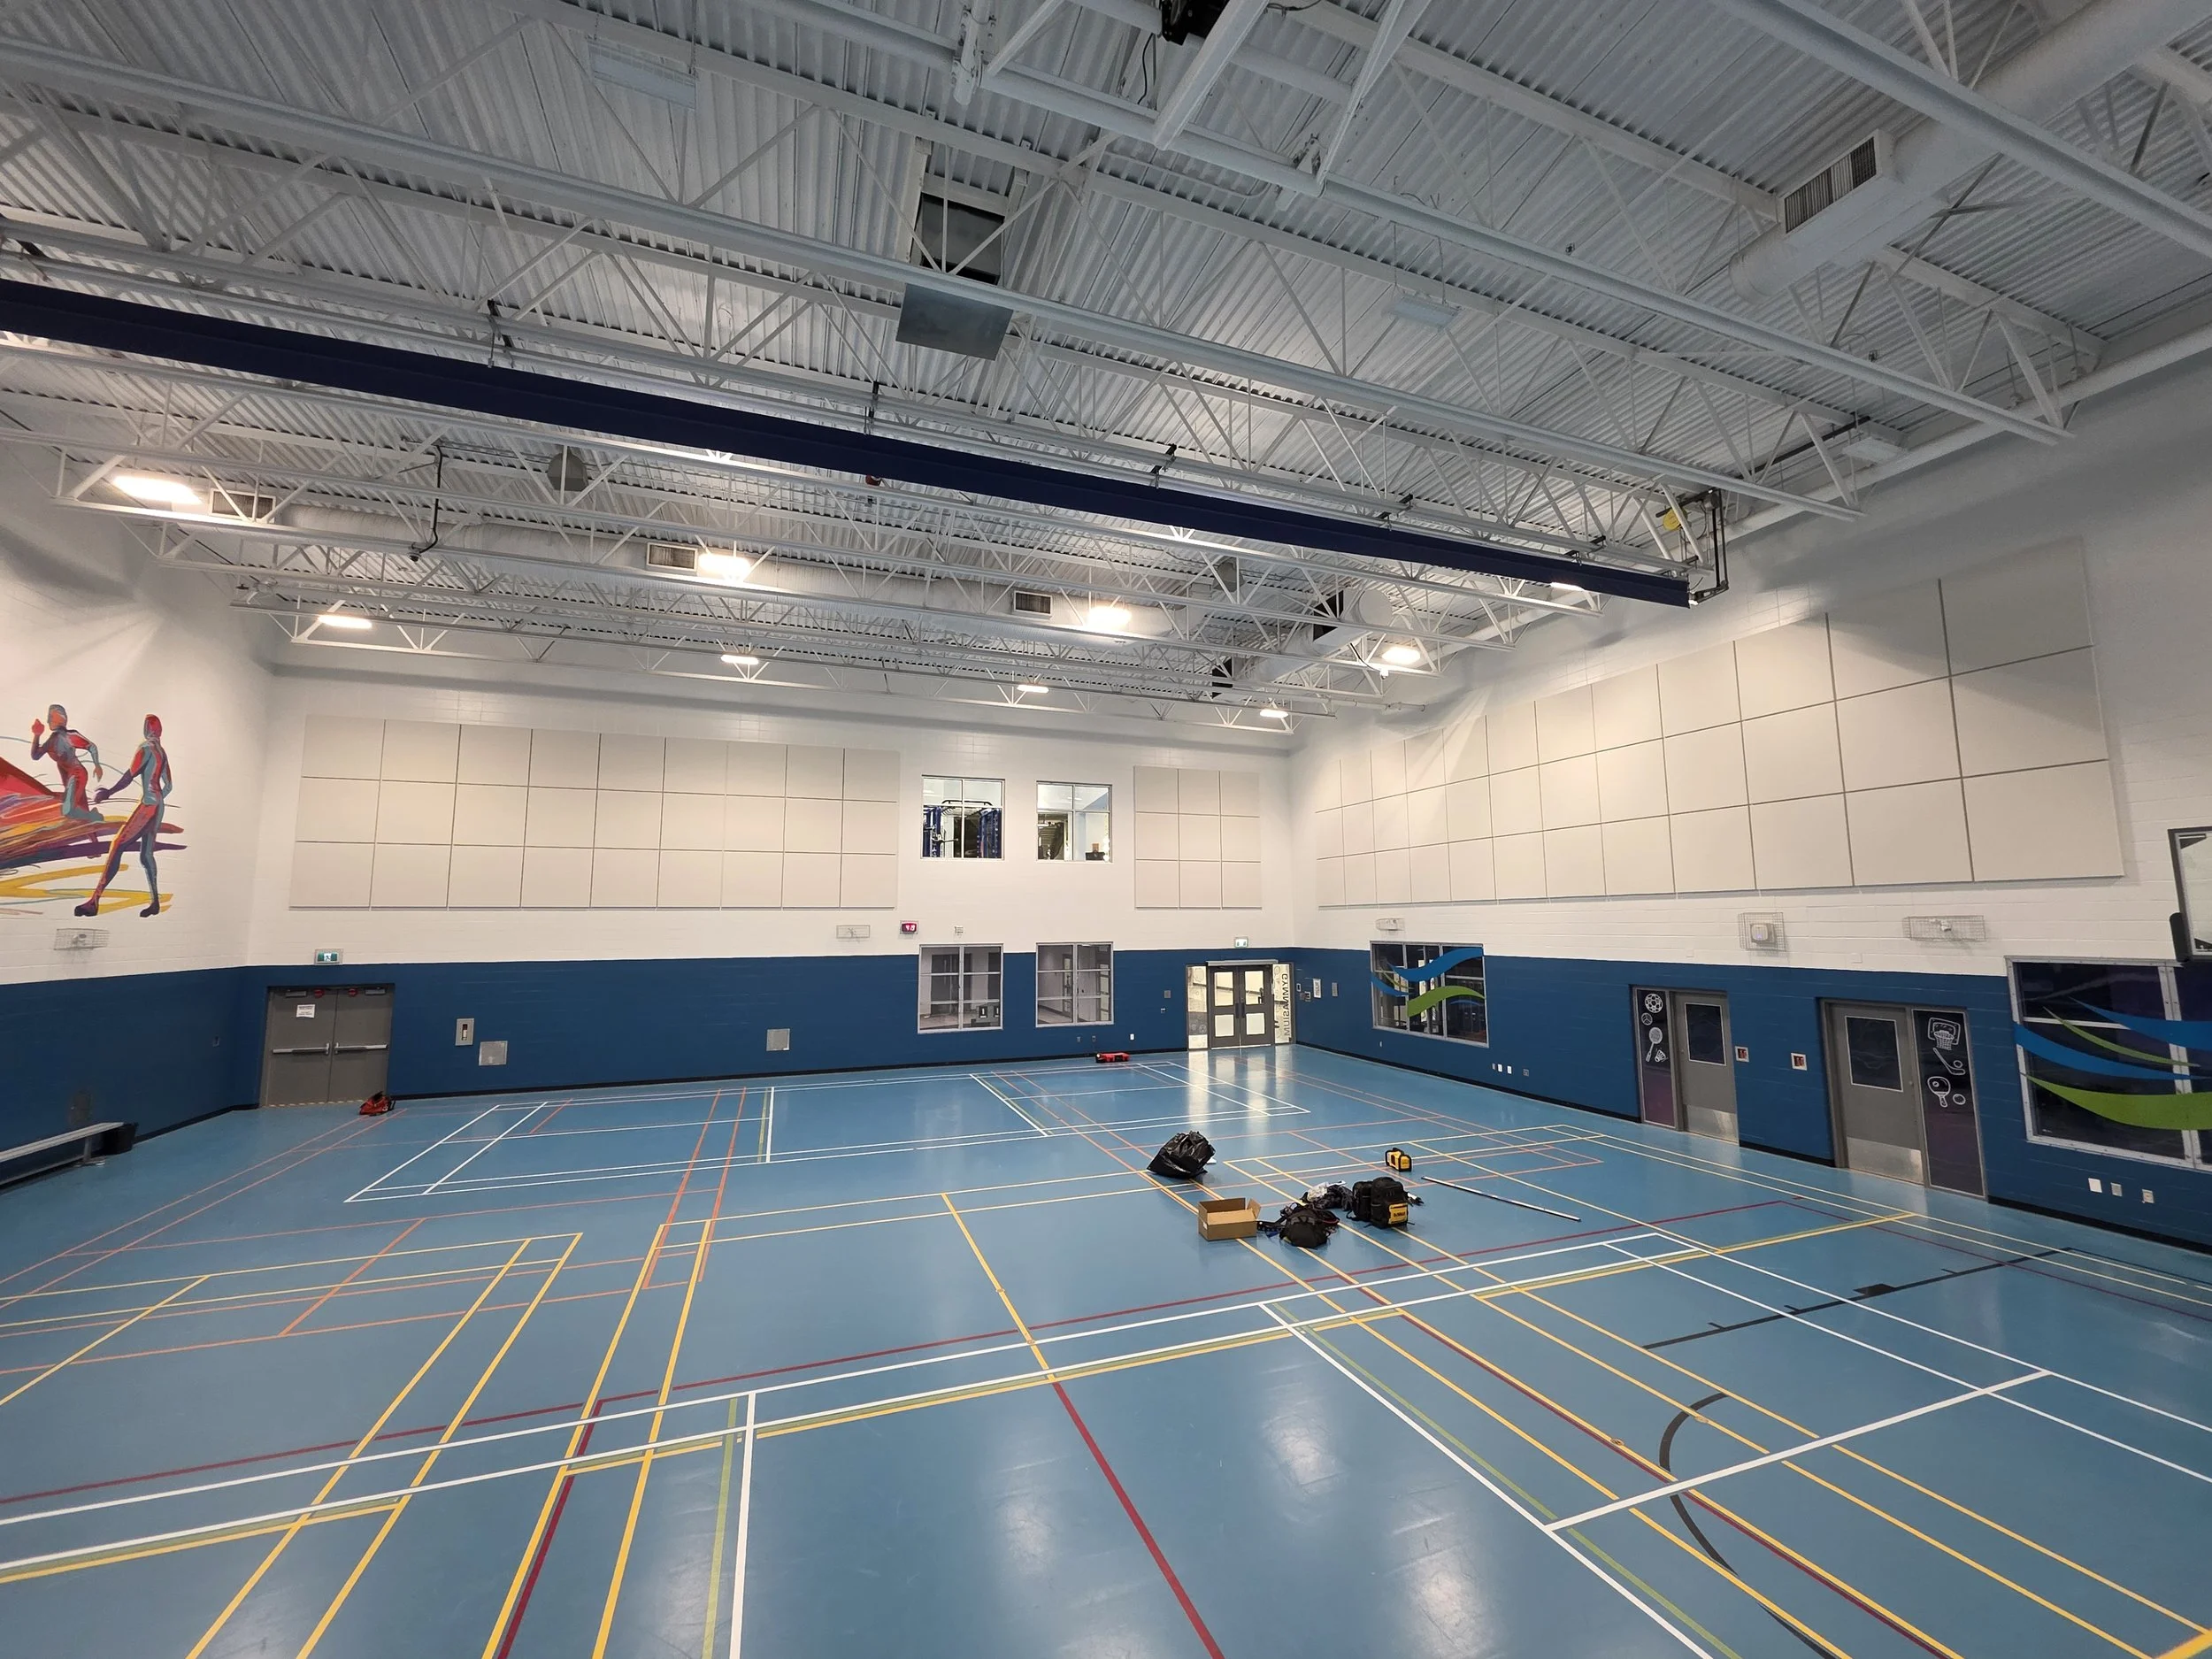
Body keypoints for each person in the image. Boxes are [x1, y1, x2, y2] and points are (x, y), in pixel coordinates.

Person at [76, 714, 171, 918]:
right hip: (158, 804)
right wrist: (158, 799)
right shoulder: (162, 753)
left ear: (147, 729)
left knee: (117, 844)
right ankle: (155, 902)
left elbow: (129, 776)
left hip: (148, 804)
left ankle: (94, 901)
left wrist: (108, 792)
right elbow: (169, 786)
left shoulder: (146, 749)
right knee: (146, 856)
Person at [30, 703, 102, 822]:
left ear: (59, 719)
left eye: (50, 717)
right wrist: (37, 735)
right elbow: (35, 755)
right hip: (69, 777)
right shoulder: (52, 739)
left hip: (77, 774)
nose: (48, 721)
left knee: (68, 811)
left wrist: (97, 766)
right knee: (80, 807)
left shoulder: (69, 736)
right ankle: (90, 822)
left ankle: (94, 817)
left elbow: (92, 747)